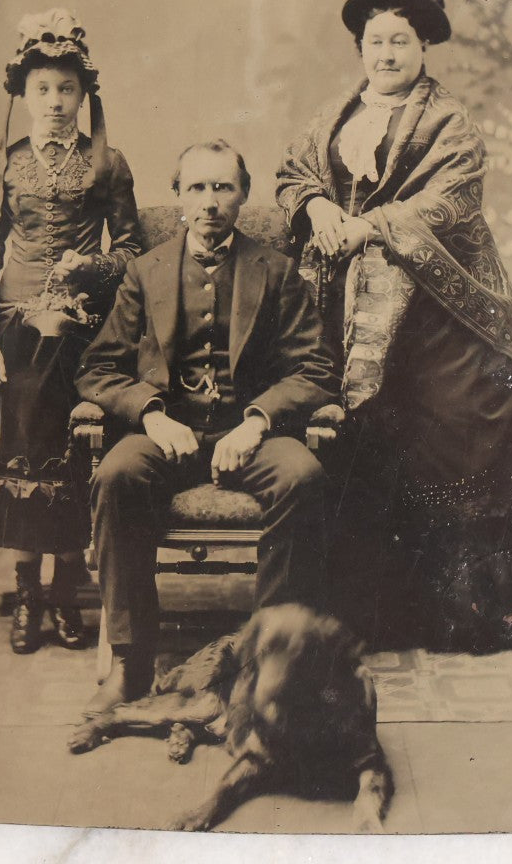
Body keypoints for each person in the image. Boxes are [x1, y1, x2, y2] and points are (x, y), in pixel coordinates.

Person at [276, 0, 512, 650]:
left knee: (459, 422)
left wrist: (371, 225)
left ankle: (474, 610)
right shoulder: (333, 118)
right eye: (376, 41)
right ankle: (382, 608)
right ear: (360, 48)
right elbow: (292, 174)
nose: (387, 54)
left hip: (441, 308)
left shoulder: (450, 124)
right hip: (352, 308)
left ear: (423, 49)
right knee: (363, 436)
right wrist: (318, 204)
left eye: (400, 42)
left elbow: (449, 200)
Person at [68, 140, 339, 743]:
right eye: (197, 188)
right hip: (168, 433)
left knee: (304, 477)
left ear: (243, 195)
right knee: (115, 474)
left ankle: (269, 655)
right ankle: (132, 664)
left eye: (222, 188)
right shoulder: (147, 270)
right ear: (178, 196)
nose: (210, 202)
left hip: (249, 433)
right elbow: (98, 367)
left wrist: (257, 422)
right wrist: (153, 415)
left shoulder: (277, 269)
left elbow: (315, 368)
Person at [0, 9, 142, 655]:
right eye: (42, 90)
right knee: (25, 455)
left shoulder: (108, 164)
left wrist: (95, 266)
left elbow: (134, 247)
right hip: (16, 332)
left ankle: (65, 592)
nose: (55, 103)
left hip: (87, 333)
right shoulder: (6, 165)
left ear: (84, 96)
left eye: (66, 90)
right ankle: (29, 591)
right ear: (24, 97)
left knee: (74, 461)